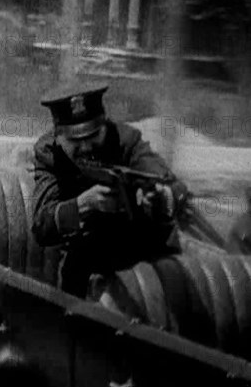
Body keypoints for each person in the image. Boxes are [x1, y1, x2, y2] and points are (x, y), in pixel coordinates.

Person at [31, 81, 189, 298]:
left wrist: (159, 197)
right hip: (87, 259)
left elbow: (171, 184)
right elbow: (42, 226)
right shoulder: (49, 154)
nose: (86, 147)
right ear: (58, 135)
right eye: (76, 140)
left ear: (104, 124)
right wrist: (83, 204)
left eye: (93, 135)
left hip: (143, 251)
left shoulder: (127, 140)